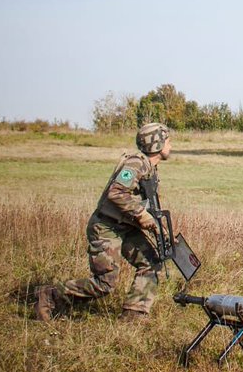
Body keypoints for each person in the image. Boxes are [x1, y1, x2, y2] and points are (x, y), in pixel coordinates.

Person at [34, 123, 172, 322]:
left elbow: (146, 204)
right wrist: (142, 216)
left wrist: (160, 230)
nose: (171, 145)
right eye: (168, 141)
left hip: (126, 227)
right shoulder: (135, 164)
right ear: (157, 144)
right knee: (105, 284)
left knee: (152, 262)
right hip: (107, 227)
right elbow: (116, 193)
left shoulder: (150, 168)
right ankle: (51, 295)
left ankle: (134, 314)